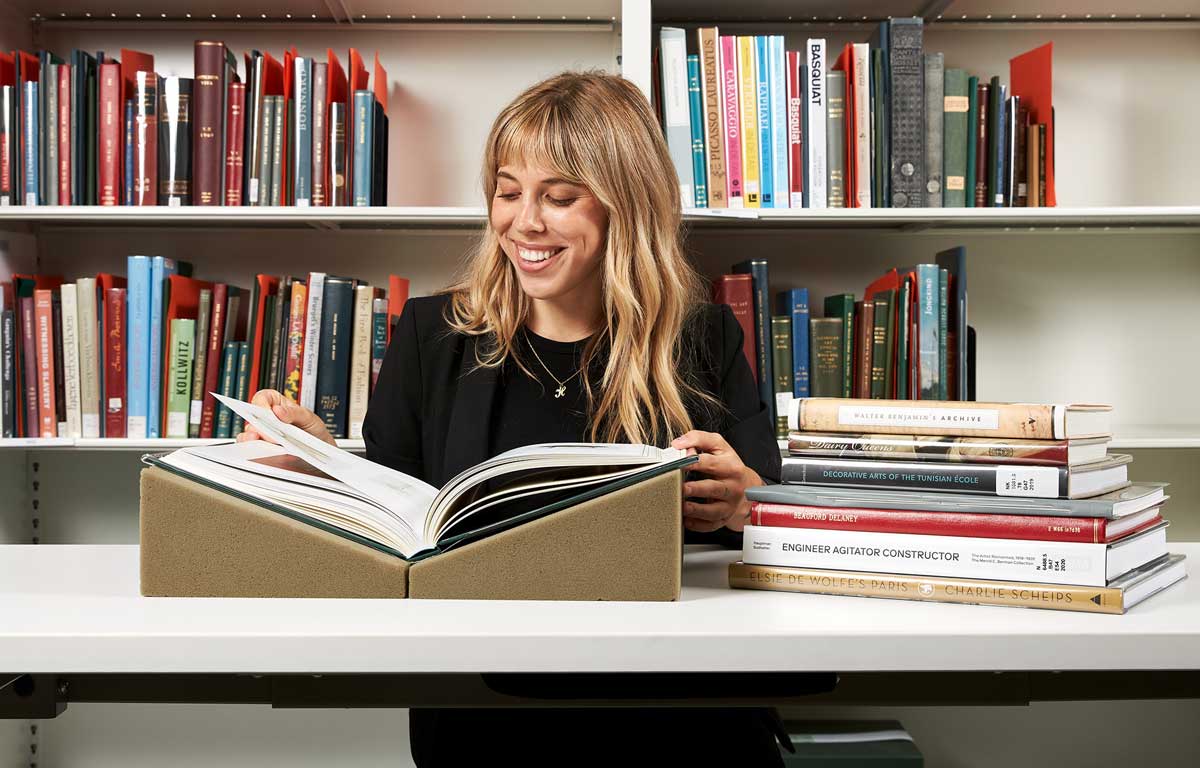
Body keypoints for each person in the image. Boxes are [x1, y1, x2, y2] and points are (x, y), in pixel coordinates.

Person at [241, 71, 786, 766]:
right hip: (489, 706)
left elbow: (770, 526)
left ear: (627, 207)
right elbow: (395, 526)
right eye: (507, 192)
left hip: (675, 709)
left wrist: (746, 506)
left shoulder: (702, 337)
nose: (523, 222)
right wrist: (318, 465)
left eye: (558, 197)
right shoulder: (430, 336)